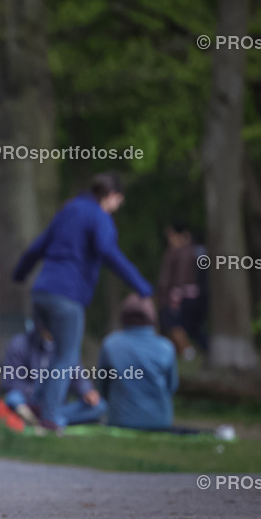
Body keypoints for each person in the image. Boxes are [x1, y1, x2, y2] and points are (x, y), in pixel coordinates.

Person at [12, 172, 153, 431]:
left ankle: (37, 406)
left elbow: (38, 246)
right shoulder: (100, 217)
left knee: (56, 354)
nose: (116, 209)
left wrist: (20, 273)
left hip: (41, 290)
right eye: (118, 202)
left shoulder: (69, 209)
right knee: (66, 355)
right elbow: (108, 251)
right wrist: (141, 286)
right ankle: (51, 417)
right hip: (67, 296)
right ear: (112, 196)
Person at [98, 294, 179, 430]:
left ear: (123, 316)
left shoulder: (111, 344)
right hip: (160, 421)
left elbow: (103, 384)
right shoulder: (166, 347)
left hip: (121, 420)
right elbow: (172, 386)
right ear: (152, 318)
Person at [0, 325, 106, 429]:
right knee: (13, 398)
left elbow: (77, 376)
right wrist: (35, 392)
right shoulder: (20, 343)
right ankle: (52, 420)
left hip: (55, 406)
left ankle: (43, 420)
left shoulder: (65, 347)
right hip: (28, 402)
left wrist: (87, 391)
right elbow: (10, 382)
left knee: (99, 406)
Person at [157, 222, 208, 360]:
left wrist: (175, 294)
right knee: (192, 328)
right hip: (183, 295)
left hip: (179, 296)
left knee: (175, 326)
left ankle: (189, 352)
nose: (169, 238)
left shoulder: (183, 252)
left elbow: (179, 276)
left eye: (171, 234)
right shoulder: (183, 251)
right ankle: (194, 351)